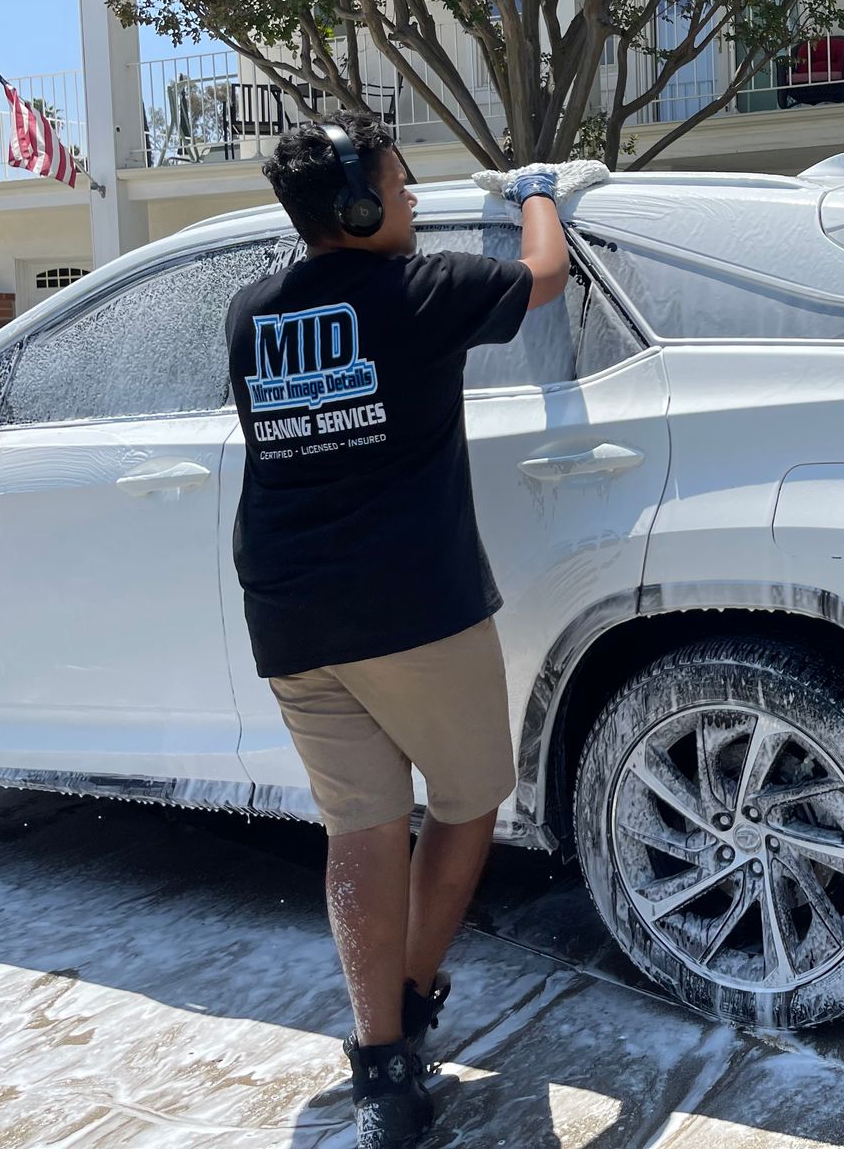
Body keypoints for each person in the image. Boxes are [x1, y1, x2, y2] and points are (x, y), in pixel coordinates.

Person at [226, 112, 570, 1147]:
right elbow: (544, 274)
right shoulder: (422, 293)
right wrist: (538, 189)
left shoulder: (251, 314)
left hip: (290, 614)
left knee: (361, 833)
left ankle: (382, 1074)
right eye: (402, 183)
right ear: (362, 206)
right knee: (468, 800)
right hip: (412, 607)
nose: (415, 198)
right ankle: (415, 1006)